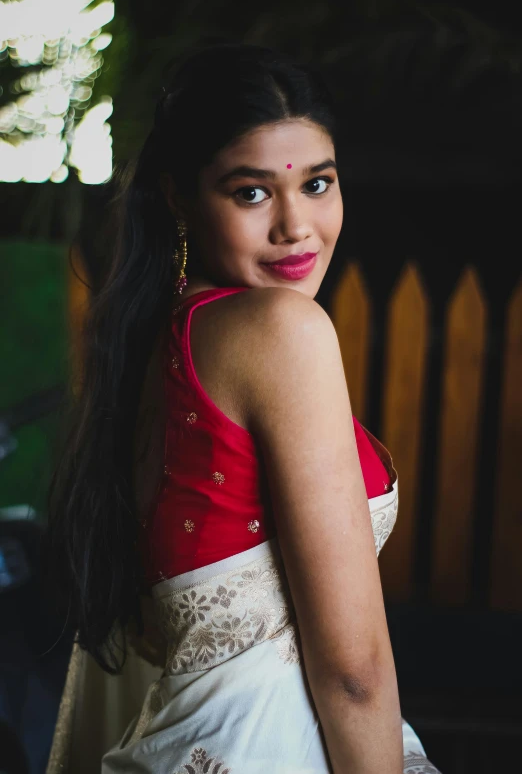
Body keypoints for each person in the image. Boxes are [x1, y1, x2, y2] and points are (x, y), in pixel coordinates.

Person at [44, 43, 441, 774]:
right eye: (251, 192)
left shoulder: (157, 336)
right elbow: (352, 672)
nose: (295, 226)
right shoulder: (280, 331)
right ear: (179, 196)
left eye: (317, 184)